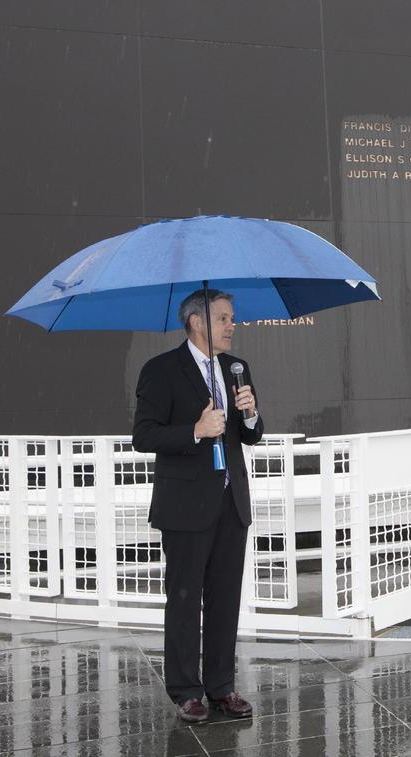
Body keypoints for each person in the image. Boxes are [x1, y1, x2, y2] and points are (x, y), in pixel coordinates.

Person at [132, 289, 263, 724]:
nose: (232, 325)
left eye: (232, 317)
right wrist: (195, 429)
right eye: (224, 318)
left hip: (231, 502)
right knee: (185, 600)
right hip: (186, 506)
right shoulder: (161, 370)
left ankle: (221, 686)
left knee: (225, 599)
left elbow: (251, 435)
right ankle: (186, 691)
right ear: (196, 322)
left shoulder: (236, 368)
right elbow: (144, 436)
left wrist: (249, 415)